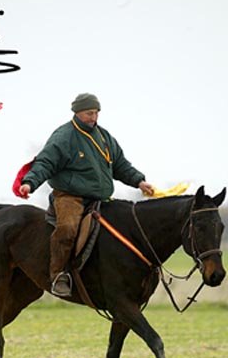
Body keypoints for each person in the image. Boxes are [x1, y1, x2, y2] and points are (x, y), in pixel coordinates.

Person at [19, 93, 154, 297]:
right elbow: (45, 162)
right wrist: (29, 183)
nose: (94, 117)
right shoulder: (64, 136)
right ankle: (58, 275)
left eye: (96, 113)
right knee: (68, 228)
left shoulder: (104, 137)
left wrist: (139, 181)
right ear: (77, 112)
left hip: (100, 198)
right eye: (89, 113)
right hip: (69, 197)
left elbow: (120, 165)